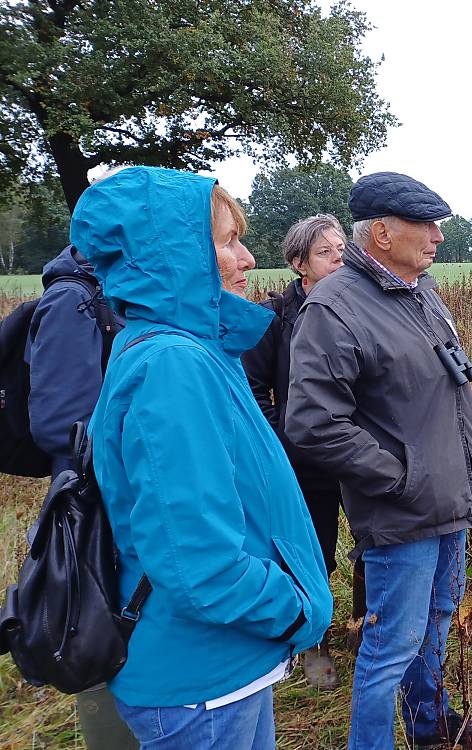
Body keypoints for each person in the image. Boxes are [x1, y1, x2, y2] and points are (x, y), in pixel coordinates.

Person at [71, 166, 333, 749]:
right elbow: (199, 564)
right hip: (200, 678)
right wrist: (294, 609)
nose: (247, 258)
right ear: (175, 254)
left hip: (221, 662)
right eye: (227, 241)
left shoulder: (196, 350)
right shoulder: (172, 366)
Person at [285, 172, 472, 750]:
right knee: (389, 646)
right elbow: (313, 422)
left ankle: (431, 729)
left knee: (434, 623)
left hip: (448, 498)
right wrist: (400, 476)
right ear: (381, 232)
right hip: (403, 510)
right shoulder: (333, 308)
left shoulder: (420, 290)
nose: (437, 237)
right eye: (425, 225)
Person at [243, 213, 361, 689]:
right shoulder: (274, 319)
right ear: (299, 264)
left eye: (342, 249)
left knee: (374, 546)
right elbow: (255, 391)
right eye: (326, 252)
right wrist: (285, 446)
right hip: (304, 461)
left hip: (361, 454)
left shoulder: (362, 306)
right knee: (315, 552)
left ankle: (363, 627)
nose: (340, 258)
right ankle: (315, 641)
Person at [26, 245, 133, 748]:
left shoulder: (113, 291)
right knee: (95, 629)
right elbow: (56, 423)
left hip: (116, 496)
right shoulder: (73, 300)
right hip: (88, 509)